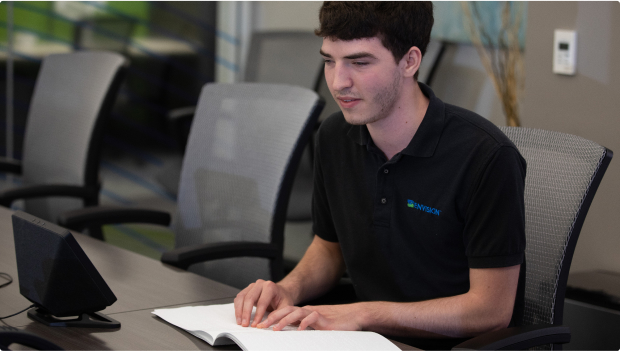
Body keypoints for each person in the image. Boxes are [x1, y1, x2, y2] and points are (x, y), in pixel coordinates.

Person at [234, 2, 526, 348]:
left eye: (359, 62)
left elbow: (491, 311)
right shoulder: (333, 136)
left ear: (410, 61)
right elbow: (330, 249)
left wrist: (363, 315)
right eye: (329, 60)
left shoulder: (487, 157)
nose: (338, 82)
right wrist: (287, 288)